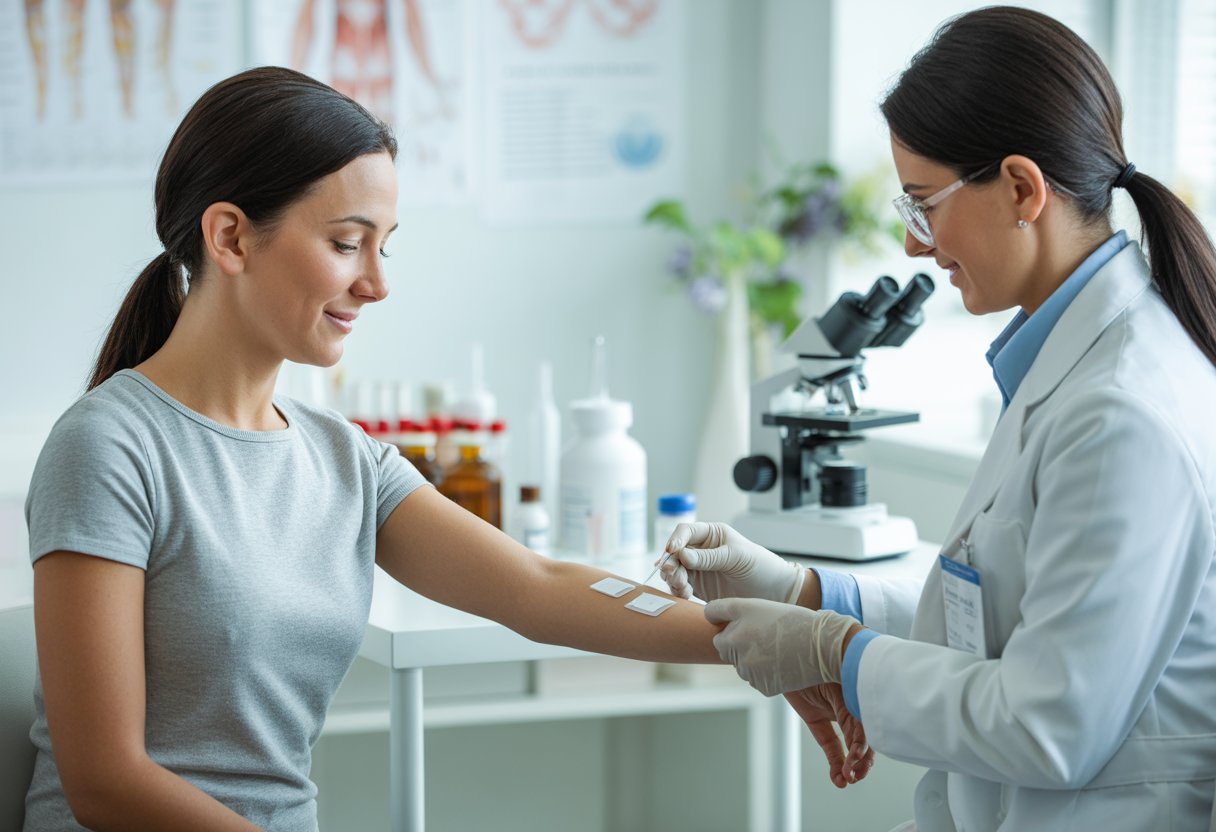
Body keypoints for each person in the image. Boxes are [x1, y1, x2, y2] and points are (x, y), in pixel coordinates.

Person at [22, 66, 867, 831]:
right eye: (347, 243)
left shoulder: (341, 457)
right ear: (232, 237)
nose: (377, 283)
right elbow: (104, 780)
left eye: (384, 247)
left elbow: (538, 586)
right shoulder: (109, 448)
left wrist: (768, 641)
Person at [661, 7, 1216, 831]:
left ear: (1023, 189)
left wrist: (836, 655)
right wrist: (810, 593)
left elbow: (1047, 722)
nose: (917, 247)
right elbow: (1002, 611)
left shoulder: (1118, 413)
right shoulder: (1070, 362)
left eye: (925, 204)